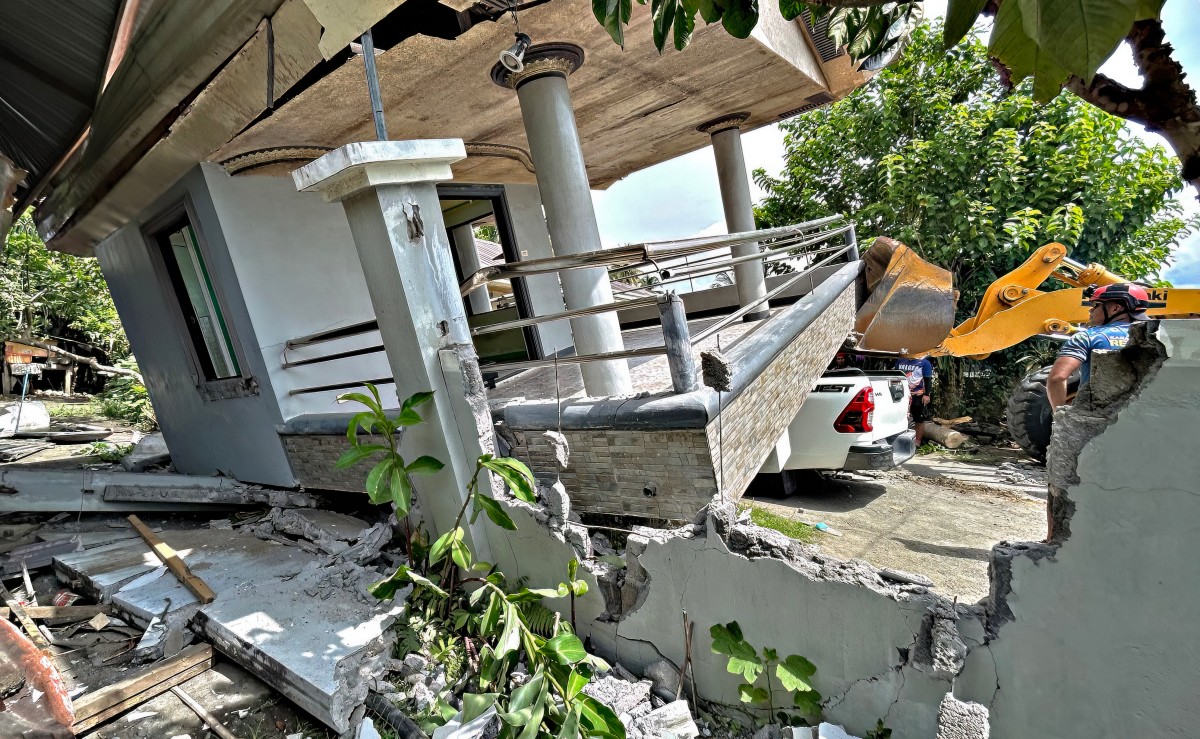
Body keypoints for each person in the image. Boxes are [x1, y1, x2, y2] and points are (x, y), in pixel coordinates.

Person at [1046, 283, 1151, 408]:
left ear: (1115, 309)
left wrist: (1059, 415)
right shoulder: (1157, 337)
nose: (1091, 310)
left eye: (1096, 305)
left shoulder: (1087, 337)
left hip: (1098, 417)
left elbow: (1057, 378)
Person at [895, 354, 935, 445]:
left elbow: (928, 379)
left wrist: (927, 394)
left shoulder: (925, 363)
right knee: (900, 416)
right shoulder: (901, 360)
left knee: (918, 419)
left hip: (918, 395)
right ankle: (899, 440)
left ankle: (917, 442)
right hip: (902, 394)